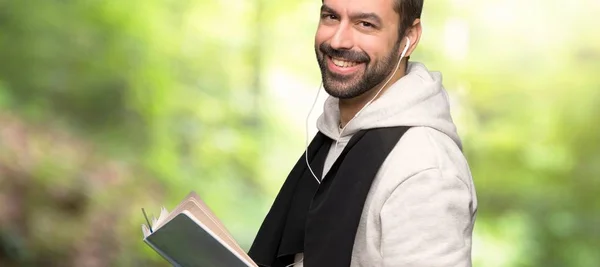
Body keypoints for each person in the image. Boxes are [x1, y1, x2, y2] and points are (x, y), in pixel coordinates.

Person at [248, 0, 478, 266]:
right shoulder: (337, 135)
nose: (338, 40)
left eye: (365, 24)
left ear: (409, 37)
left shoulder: (425, 168)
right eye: (331, 16)